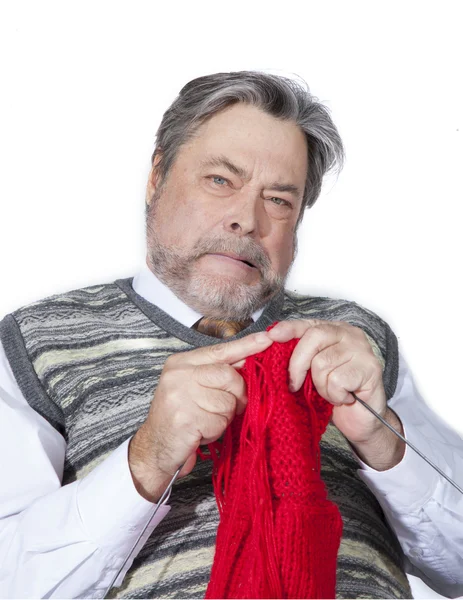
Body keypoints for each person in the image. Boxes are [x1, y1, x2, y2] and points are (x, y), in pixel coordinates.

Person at [0, 71, 462, 600]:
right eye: (220, 180)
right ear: (157, 177)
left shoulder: (355, 341)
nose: (246, 219)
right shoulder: (37, 340)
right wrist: (145, 460)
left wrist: (384, 441)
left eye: (279, 200)